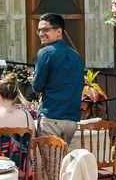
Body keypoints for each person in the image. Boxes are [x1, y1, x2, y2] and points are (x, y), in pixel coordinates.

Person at [31, 13, 84, 145]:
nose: (41, 33)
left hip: (51, 117)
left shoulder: (45, 52)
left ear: (59, 31)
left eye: (45, 29)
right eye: (39, 30)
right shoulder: (76, 55)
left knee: (51, 165)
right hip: (71, 121)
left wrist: (33, 80)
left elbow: (37, 87)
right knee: (64, 163)